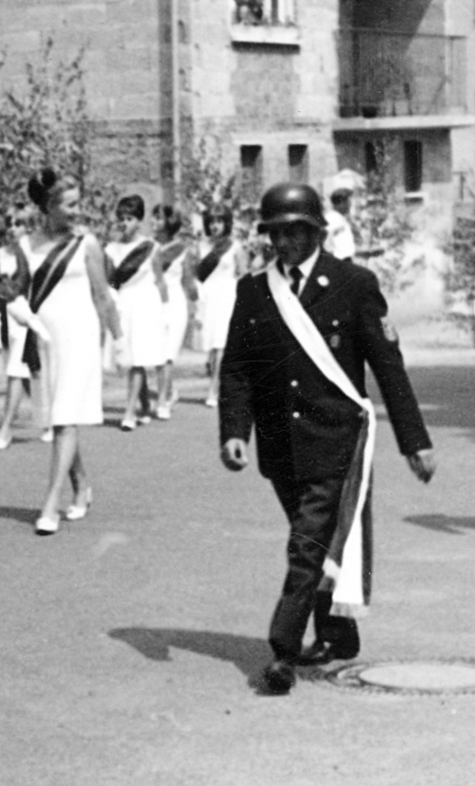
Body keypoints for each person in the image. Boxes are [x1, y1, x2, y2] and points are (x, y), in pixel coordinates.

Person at [219, 182, 435, 697]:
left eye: (295, 231)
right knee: (316, 541)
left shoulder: (353, 284)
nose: (285, 242)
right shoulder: (254, 291)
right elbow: (238, 370)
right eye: (276, 233)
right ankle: (337, 633)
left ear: (315, 230)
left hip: (336, 440)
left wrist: (415, 441)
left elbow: (387, 365)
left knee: (306, 545)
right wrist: (234, 432)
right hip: (279, 445)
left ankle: (282, 651)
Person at [14, 167, 120, 534]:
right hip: (46, 337)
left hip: (79, 336)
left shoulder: (86, 243)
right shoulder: (26, 245)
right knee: (62, 416)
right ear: (49, 206)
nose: (78, 211)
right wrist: (10, 306)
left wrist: (117, 342)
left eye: (79, 203)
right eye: (70, 204)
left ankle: (50, 505)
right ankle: (81, 486)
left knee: (63, 418)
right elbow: (19, 290)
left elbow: (103, 296)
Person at [105, 195, 166, 429]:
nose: (124, 223)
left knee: (138, 359)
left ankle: (129, 413)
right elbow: (110, 284)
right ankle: (145, 405)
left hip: (145, 305)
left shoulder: (151, 248)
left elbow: (159, 281)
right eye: (121, 218)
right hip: (123, 305)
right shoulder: (111, 249)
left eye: (129, 218)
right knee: (129, 358)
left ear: (139, 220)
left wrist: (164, 312)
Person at [0, 214, 39, 451]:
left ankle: (6, 429)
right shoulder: (0, 253)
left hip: (26, 314)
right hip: (6, 316)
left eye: (18, 223)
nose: (12, 228)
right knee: (25, 369)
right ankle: (46, 415)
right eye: (9, 223)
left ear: (27, 227)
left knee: (16, 370)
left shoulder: (31, 251)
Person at [192, 206, 243, 402]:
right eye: (212, 222)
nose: (215, 226)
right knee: (211, 345)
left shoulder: (235, 246)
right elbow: (197, 276)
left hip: (227, 296)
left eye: (219, 222)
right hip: (207, 297)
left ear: (226, 223)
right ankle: (216, 380)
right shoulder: (202, 247)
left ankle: (213, 388)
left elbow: (243, 274)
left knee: (221, 343)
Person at [151, 203, 192, 417]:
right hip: (153, 302)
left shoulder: (182, 249)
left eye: (158, 218)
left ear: (169, 222)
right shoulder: (148, 247)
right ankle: (168, 391)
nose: (154, 222)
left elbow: (189, 282)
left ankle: (162, 402)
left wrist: (197, 308)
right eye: (153, 218)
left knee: (167, 354)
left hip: (175, 303)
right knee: (157, 353)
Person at [323, 172, 361, 261]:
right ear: (341, 203)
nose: (350, 205)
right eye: (348, 202)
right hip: (339, 262)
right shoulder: (332, 218)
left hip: (346, 260)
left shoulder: (340, 218)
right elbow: (324, 240)